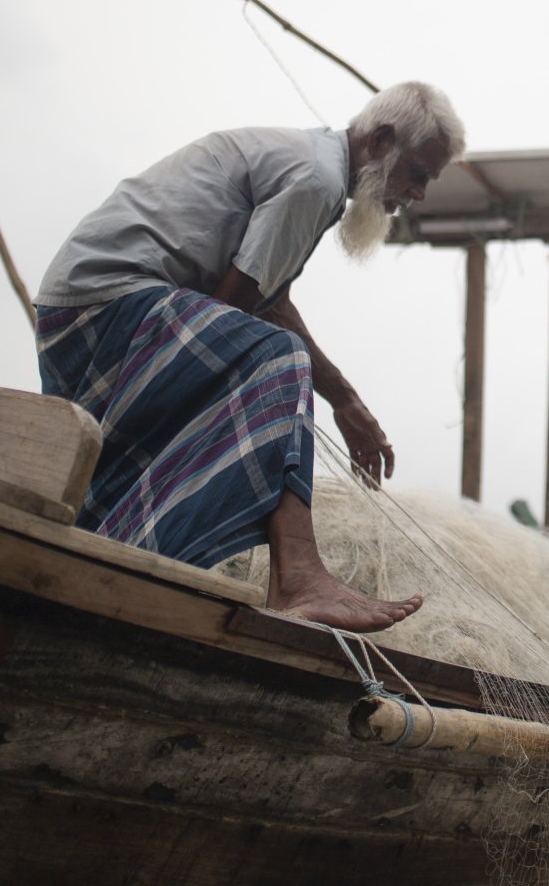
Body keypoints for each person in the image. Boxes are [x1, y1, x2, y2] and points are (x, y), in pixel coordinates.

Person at [33, 81, 465, 632]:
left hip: (93, 314)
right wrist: (294, 393)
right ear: (382, 141)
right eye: (419, 175)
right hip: (103, 314)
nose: (418, 195)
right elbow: (236, 313)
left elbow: (269, 303)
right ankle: (299, 575)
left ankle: (132, 562)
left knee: (272, 357)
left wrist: (345, 400)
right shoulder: (315, 177)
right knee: (278, 360)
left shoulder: (315, 168)